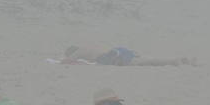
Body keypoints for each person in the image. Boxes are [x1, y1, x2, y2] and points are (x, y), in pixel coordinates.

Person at [63, 45, 192, 67]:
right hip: (119, 51)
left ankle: (173, 61)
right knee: (147, 59)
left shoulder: (79, 51)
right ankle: (180, 60)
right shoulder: (88, 47)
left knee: (146, 62)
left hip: (114, 57)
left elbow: (68, 60)